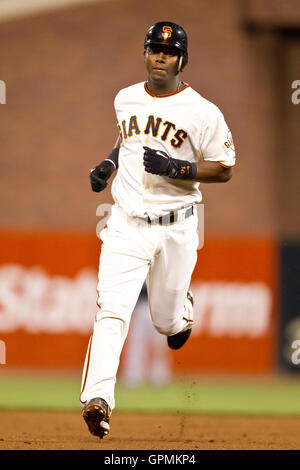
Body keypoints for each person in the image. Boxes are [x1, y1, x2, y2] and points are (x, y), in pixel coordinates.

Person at [80, 21, 235, 439]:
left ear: (181, 60)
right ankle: (98, 400)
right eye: (154, 49)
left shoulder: (203, 111)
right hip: (126, 225)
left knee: (164, 322)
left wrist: (178, 168)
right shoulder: (125, 98)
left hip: (177, 227)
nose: (160, 56)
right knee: (111, 313)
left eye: (168, 51)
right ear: (145, 54)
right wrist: (109, 165)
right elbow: (125, 140)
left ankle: (181, 311)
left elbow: (224, 168)